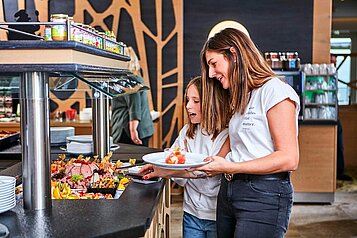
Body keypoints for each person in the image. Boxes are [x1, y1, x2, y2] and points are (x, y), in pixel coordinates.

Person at [192, 28, 300, 238]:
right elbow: (226, 152)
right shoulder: (243, 96)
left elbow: (289, 158)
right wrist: (165, 170)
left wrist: (230, 166)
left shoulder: (275, 91)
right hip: (230, 191)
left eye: (214, 64)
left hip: (263, 195)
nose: (212, 73)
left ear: (233, 54)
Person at [141, 76, 231, 238]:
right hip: (191, 213)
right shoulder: (187, 132)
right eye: (187, 99)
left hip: (217, 216)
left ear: (213, 102)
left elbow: (208, 179)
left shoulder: (227, 135)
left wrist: (166, 171)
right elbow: (173, 163)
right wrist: (166, 167)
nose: (188, 106)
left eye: (196, 101)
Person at [111, 73, 154, 146]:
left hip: (127, 130)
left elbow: (134, 107)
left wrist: (133, 130)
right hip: (141, 128)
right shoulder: (136, 78)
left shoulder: (128, 80)